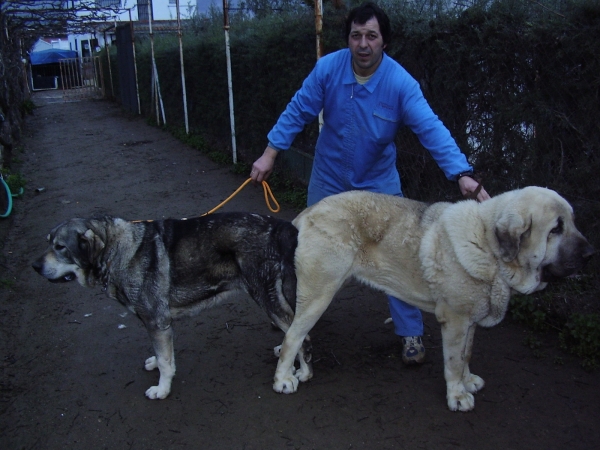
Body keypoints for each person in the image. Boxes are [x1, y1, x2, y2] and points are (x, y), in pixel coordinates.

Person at [249, 1, 490, 365]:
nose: (363, 44)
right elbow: (297, 110)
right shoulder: (327, 69)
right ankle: (296, 324)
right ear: (348, 39)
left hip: (379, 183)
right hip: (329, 176)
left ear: (384, 42)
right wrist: (270, 154)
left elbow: (431, 129)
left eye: (371, 36)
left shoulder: (400, 83)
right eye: (356, 35)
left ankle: (410, 333)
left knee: (400, 256)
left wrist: (462, 174)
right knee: (309, 248)